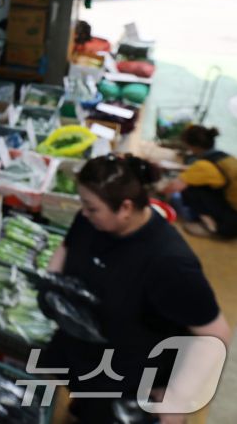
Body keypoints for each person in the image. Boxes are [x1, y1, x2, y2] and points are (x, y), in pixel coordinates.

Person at [43, 155, 230, 424]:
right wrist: (52, 283)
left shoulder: (170, 264)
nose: (84, 213)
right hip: (88, 351)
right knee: (83, 403)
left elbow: (215, 333)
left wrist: (177, 397)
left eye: (92, 208)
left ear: (126, 208)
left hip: (129, 372)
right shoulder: (90, 220)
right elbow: (68, 245)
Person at [165, 126, 237, 238]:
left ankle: (213, 227)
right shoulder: (224, 156)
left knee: (190, 190)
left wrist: (156, 189)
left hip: (232, 219)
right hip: (232, 204)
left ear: (193, 146)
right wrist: (176, 167)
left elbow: (172, 187)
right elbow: (208, 172)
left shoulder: (203, 166)